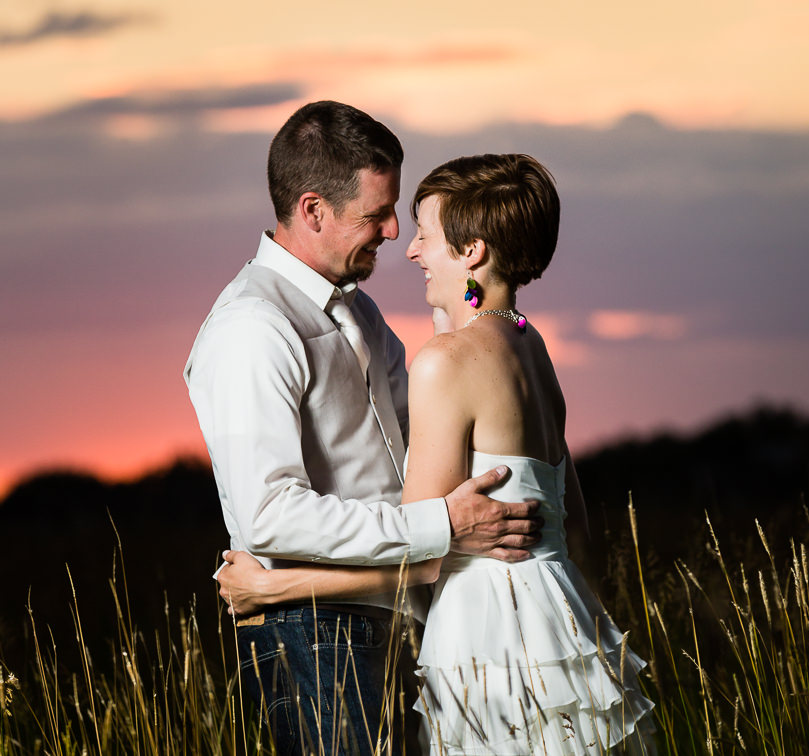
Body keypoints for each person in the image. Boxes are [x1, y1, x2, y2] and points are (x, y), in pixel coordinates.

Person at [217, 151, 655, 755]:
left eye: (424, 233)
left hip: (490, 634)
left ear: (471, 250)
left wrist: (275, 588)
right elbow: (577, 532)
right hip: (562, 619)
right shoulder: (532, 347)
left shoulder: (447, 362)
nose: (413, 249)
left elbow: (420, 555)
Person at [184, 104, 543, 756]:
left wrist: (476, 292)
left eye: (400, 211)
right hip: (316, 632)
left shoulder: (363, 312)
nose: (392, 230)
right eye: (376, 213)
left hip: (404, 613)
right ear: (313, 209)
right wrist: (444, 527)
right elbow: (269, 516)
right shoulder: (253, 328)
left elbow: (433, 423)